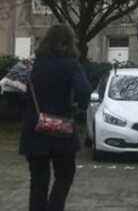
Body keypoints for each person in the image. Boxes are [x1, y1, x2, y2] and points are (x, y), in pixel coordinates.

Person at [19, 24, 90, 211]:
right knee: (65, 175)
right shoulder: (71, 65)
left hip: (34, 130)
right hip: (62, 130)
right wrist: (77, 108)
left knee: (38, 180)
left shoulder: (30, 65)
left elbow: (16, 92)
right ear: (68, 42)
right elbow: (84, 92)